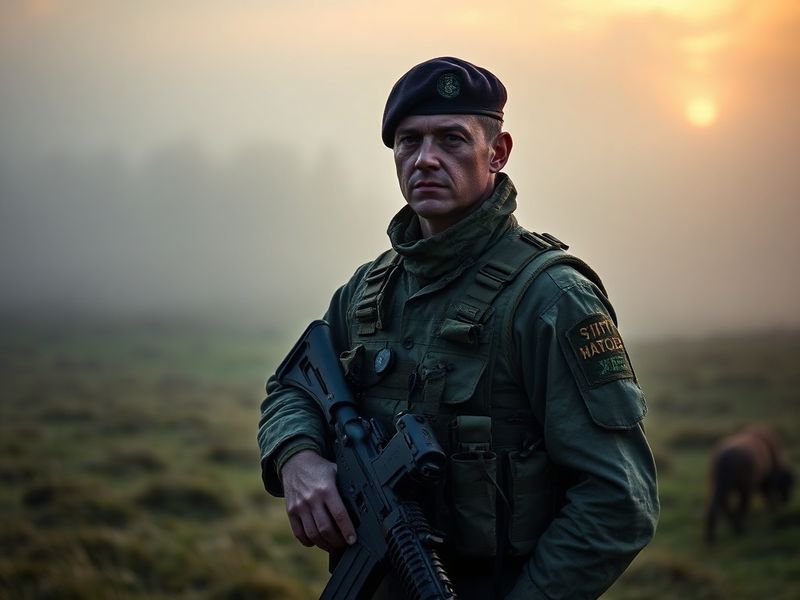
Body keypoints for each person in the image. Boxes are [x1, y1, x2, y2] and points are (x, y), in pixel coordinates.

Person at [258, 56, 659, 599]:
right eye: (408, 142)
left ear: (497, 152)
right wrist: (297, 457)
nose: (425, 160)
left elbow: (619, 501)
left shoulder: (550, 297)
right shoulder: (371, 289)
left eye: (451, 140)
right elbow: (292, 386)